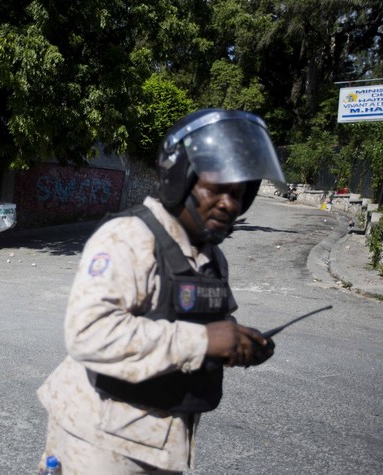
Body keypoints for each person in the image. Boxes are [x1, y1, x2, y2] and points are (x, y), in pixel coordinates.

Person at [37, 109, 286, 474]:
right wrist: (204, 341)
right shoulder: (129, 238)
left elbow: (193, 323)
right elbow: (88, 334)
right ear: (179, 178)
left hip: (162, 442)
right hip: (97, 440)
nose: (229, 203)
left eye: (239, 193)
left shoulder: (210, 255)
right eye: (216, 188)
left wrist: (236, 343)